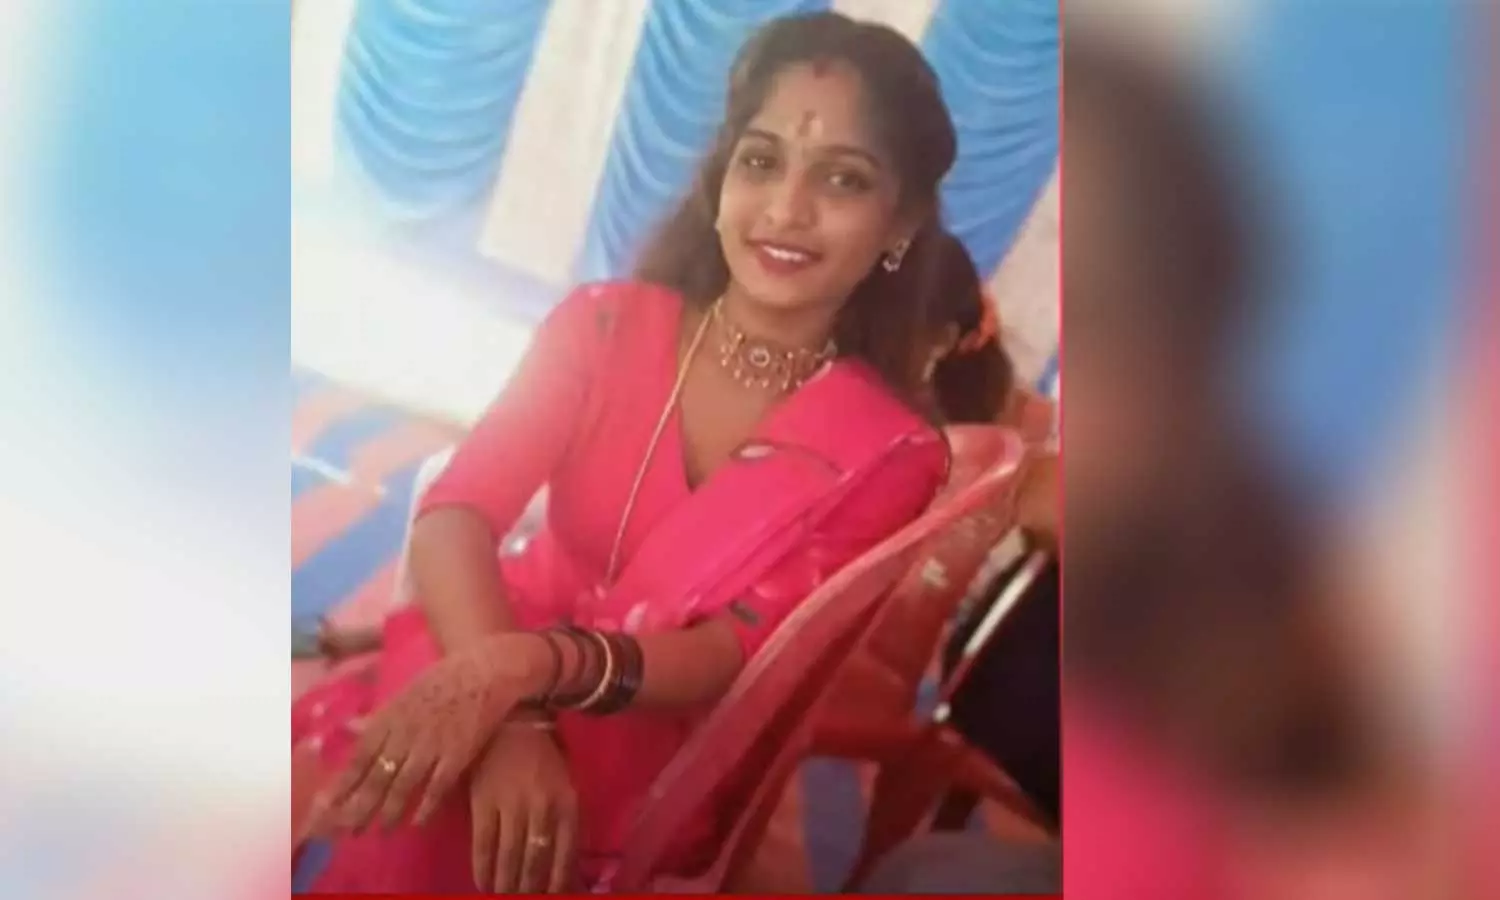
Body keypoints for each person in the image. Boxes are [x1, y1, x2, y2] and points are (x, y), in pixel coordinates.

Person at [293, 12, 970, 894]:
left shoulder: (890, 452)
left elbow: (730, 653)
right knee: (438, 771)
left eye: (843, 179)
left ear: (900, 223)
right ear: (721, 177)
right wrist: (512, 714)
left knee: (504, 819)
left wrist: (531, 671)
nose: (786, 209)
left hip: (652, 718)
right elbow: (457, 511)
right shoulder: (602, 327)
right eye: (761, 161)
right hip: (490, 631)